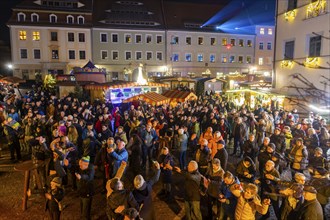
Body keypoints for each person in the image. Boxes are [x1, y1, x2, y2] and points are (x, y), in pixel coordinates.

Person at [76, 156, 95, 220]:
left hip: (87, 193)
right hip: (81, 193)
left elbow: (88, 177)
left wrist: (81, 177)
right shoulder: (82, 168)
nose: (79, 166)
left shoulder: (91, 170)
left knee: (85, 211)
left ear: (86, 164)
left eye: (81, 165)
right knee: (83, 209)